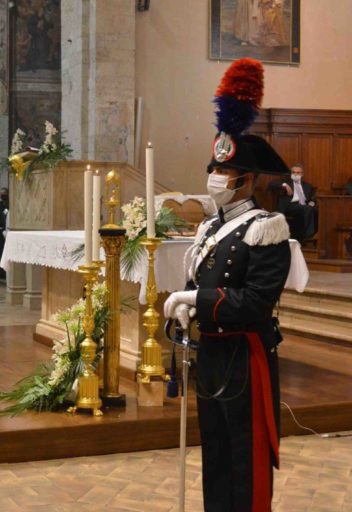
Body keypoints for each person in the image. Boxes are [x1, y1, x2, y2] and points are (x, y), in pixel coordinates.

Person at [164, 58, 290, 511]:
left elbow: (255, 302)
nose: (217, 179)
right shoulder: (210, 228)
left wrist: (195, 298)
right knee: (216, 452)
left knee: (244, 453)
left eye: (226, 174)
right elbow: (201, 281)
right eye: (215, 170)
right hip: (212, 352)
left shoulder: (267, 228)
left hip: (245, 354)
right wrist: (187, 308)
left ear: (247, 180)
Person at [268, 164, 317, 241]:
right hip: (290, 206)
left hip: (304, 206)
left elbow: (313, 197)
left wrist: (311, 203)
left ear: (302, 174)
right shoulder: (286, 182)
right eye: (293, 172)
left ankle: (314, 233)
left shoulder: (307, 186)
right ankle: (309, 235)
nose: (295, 174)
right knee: (307, 209)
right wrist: (285, 185)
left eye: (298, 172)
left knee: (316, 210)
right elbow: (271, 184)